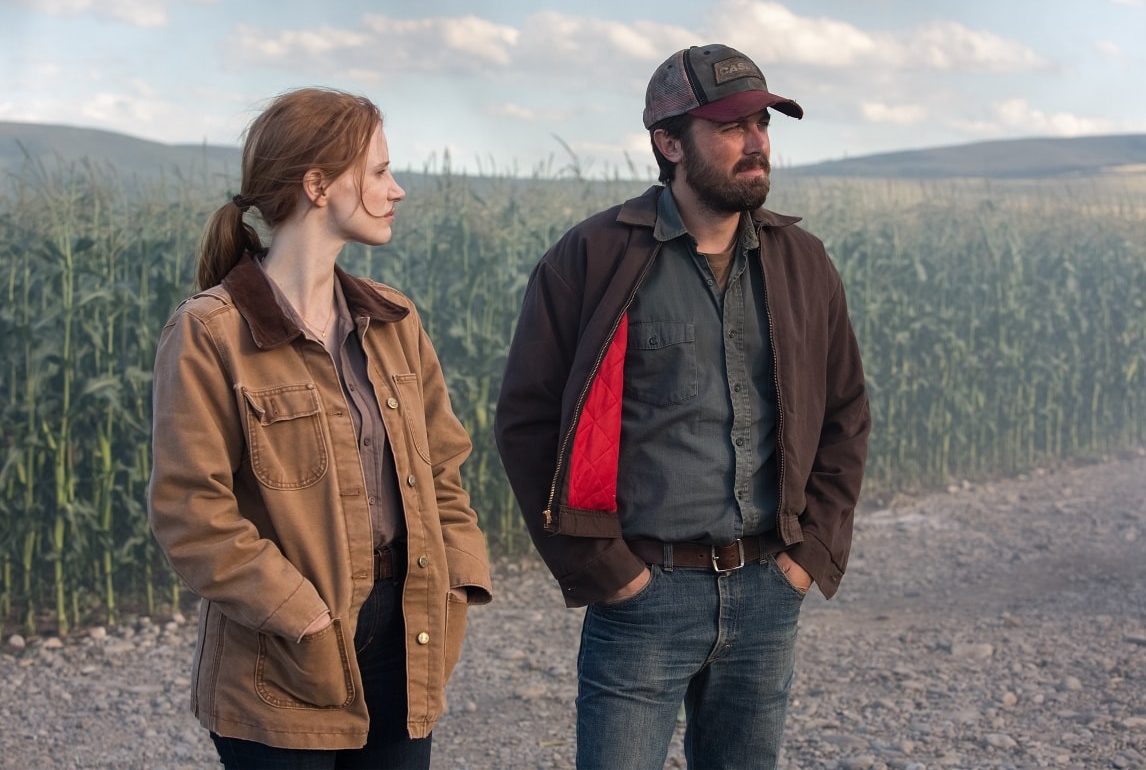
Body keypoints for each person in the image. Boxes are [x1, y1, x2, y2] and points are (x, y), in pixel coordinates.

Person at [494, 44, 871, 769]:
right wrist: (605, 568)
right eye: (731, 127)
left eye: (762, 123)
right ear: (668, 142)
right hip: (641, 597)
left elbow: (846, 413)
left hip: (768, 587)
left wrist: (808, 554)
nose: (756, 142)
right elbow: (529, 422)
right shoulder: (592, 259)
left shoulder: (804, 262)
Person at [148, 88, 492, 769]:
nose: (396, 191)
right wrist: (304, 616)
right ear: (317, 184)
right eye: (378, 172)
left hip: (408, 635)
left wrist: (457, 576)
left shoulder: (395, 321)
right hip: (280, 661)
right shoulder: (211, 332)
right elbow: (192, 513)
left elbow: (443, 467)